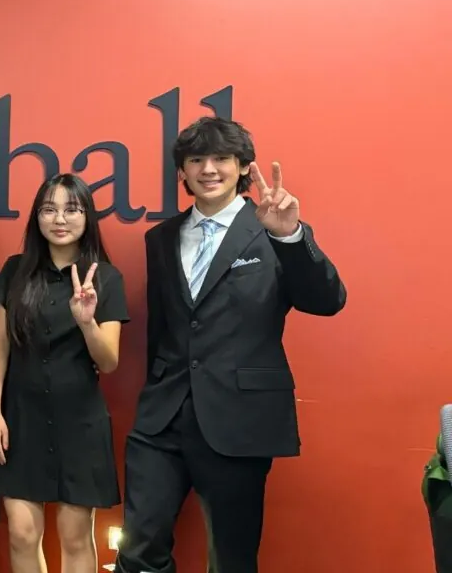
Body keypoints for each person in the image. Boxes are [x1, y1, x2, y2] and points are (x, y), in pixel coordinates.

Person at [114, 117, 347, 573]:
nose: (208, 169)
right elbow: (164, 327)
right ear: (182, 171)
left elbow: (327, 301)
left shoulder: (273, 228)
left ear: (242, 167)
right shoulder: (160, 237)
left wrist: (289, 237)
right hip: (162, 419)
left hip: (240, 419)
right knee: (138, 550)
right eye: (196, 159)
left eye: (222, 158)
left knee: (232, 558)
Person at [0, 173, 128, 573]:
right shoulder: (15, 271)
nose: (60, 219)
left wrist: (86, 321)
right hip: (21, 418)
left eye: (71, 210)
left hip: (79, 421)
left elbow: (109, 361)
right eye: (49, 209)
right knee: (21, 533)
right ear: (37, 217)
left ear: (87, 217)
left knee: (76, 536)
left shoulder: (105, 277)